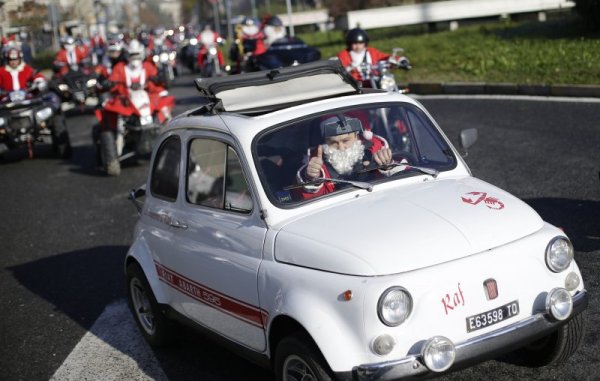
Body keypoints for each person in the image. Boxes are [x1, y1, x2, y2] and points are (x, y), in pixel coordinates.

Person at [295, 114, 395, 199]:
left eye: (346, 141)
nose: (341, 148)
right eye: (333, 143)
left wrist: (387, 166)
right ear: (325, 142)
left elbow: (402, 180)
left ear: (357, 136)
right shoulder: (317, 163)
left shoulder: (376, 150)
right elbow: (311, 199)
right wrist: (311, 179)